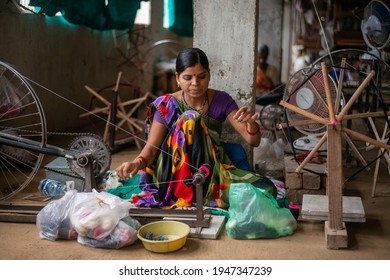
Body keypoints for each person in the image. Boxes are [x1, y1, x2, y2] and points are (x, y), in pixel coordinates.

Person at [116, 47, 276, 209]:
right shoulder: (166, 104)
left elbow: (253, 140)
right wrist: (136, 164)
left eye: (202, 77)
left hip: (209, 173)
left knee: (267, 189)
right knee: (191, 118)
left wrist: (251, 123)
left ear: (209, 75)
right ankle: (182, 196)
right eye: (188, 77)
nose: (195, 83)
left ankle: (198, 193)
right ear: (178, 78)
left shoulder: (221, 100)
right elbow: (151, 150)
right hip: (171, 177)